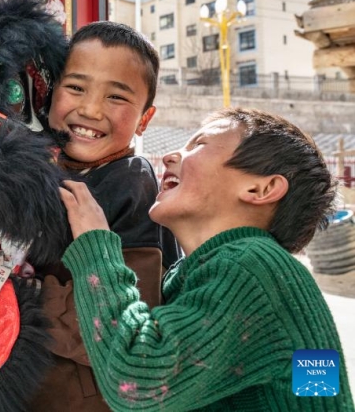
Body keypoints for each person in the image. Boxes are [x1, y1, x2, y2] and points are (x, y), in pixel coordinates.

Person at [59, 108, 354, 411]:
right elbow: (316, 380)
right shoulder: (257, 275)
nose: (170, 156)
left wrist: (95, 247)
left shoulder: (254, 266)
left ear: (260, 188)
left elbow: (137, 379)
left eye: (199, 145)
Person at [30, 21, 180, 411]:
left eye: (116, 96)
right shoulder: (34, 163)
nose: (91, 109)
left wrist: (19, 296)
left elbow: (127, 323)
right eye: (76, 88)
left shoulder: (133, 184)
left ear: (144, 119)